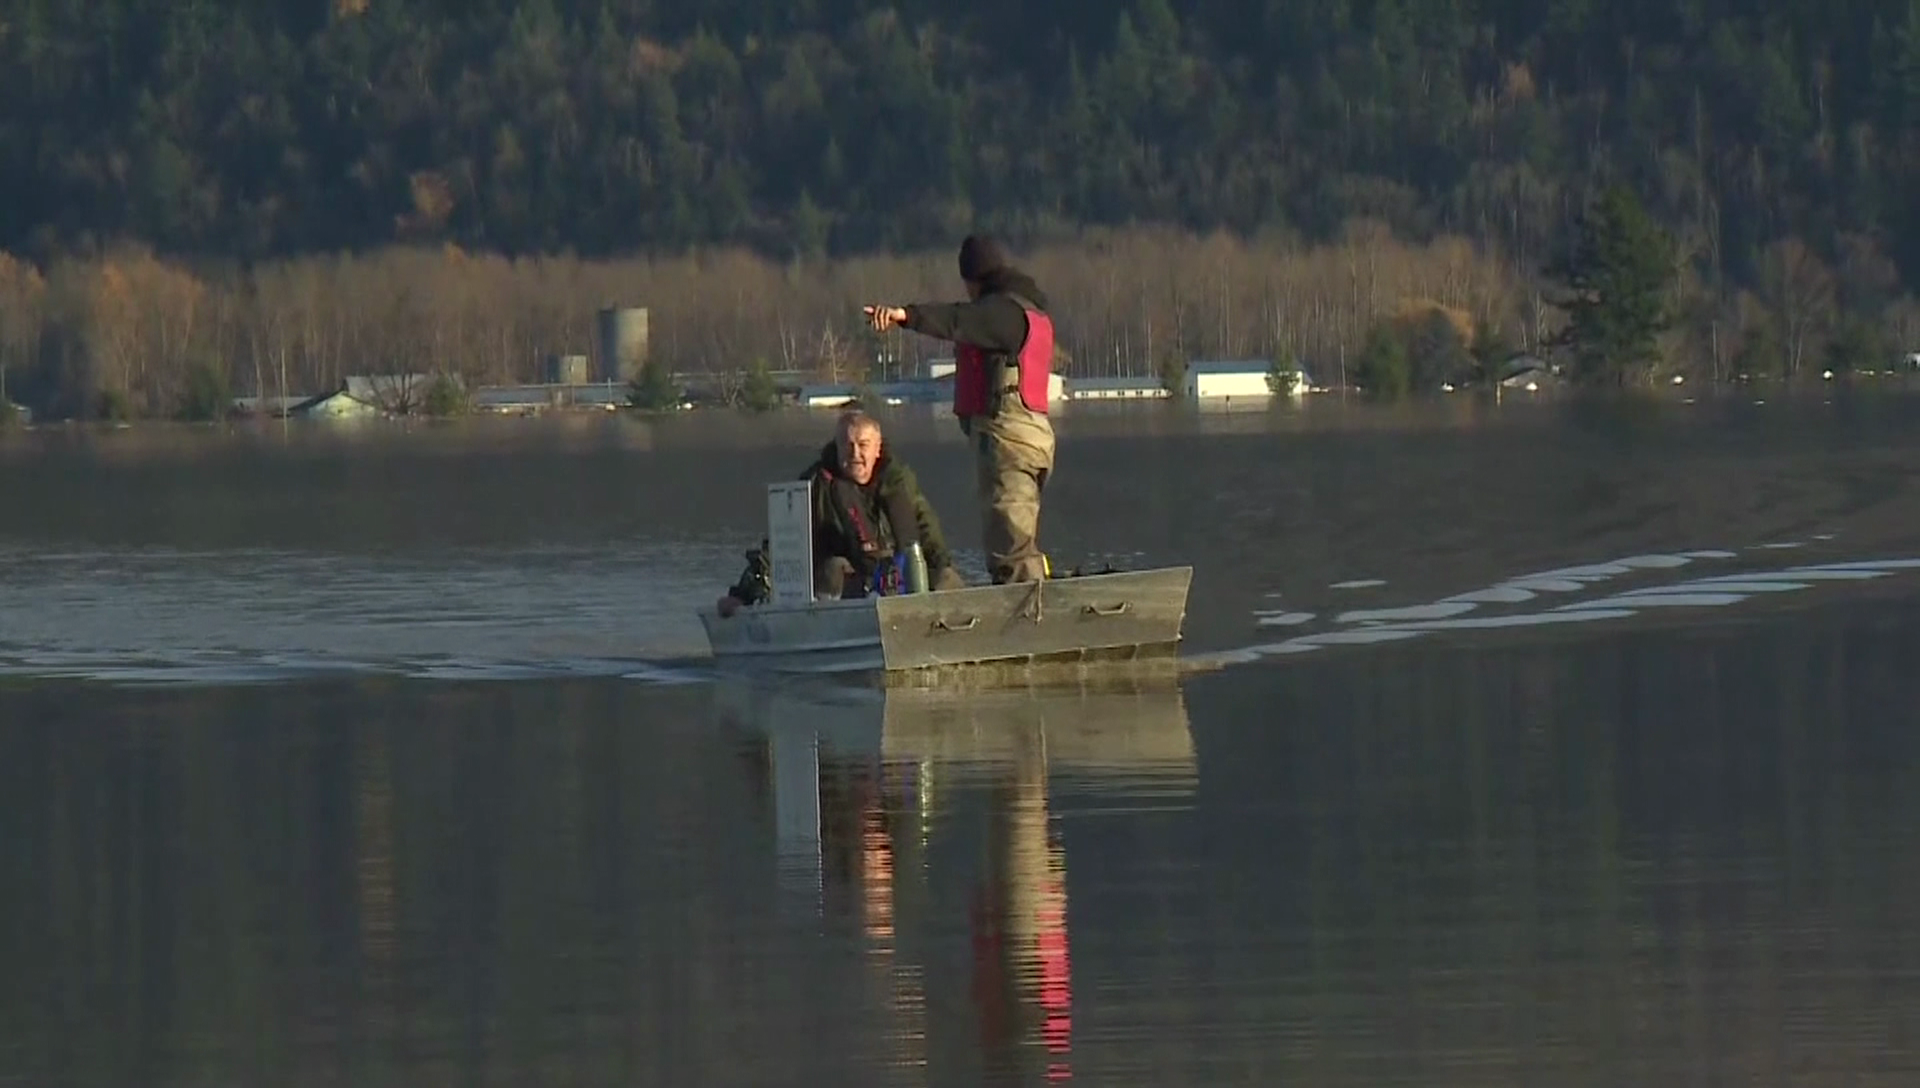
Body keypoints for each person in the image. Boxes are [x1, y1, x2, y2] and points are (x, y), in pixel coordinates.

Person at [863, 234, 1055, 584]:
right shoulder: (1031, 309)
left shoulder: (1001, 313)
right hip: (1036, 437)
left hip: (1010, 440)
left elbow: (957, 320)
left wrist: (905, 316)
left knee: (1009, 545)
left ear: (973, 279)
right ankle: (1033, 599)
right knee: (1019, 538)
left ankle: (1029, 623)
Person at [716, 410, 966, 616]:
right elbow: (780, 544)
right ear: (836, 448)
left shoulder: (900, 483)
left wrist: (942, 569)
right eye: (848, 446)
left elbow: (927, 530)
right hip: (844, 580)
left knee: (946, 577)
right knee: (835, 567)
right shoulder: (815, 485)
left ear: (878, 449)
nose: (855, 454)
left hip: (894, 575)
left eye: (863, 446)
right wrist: (741, 595)